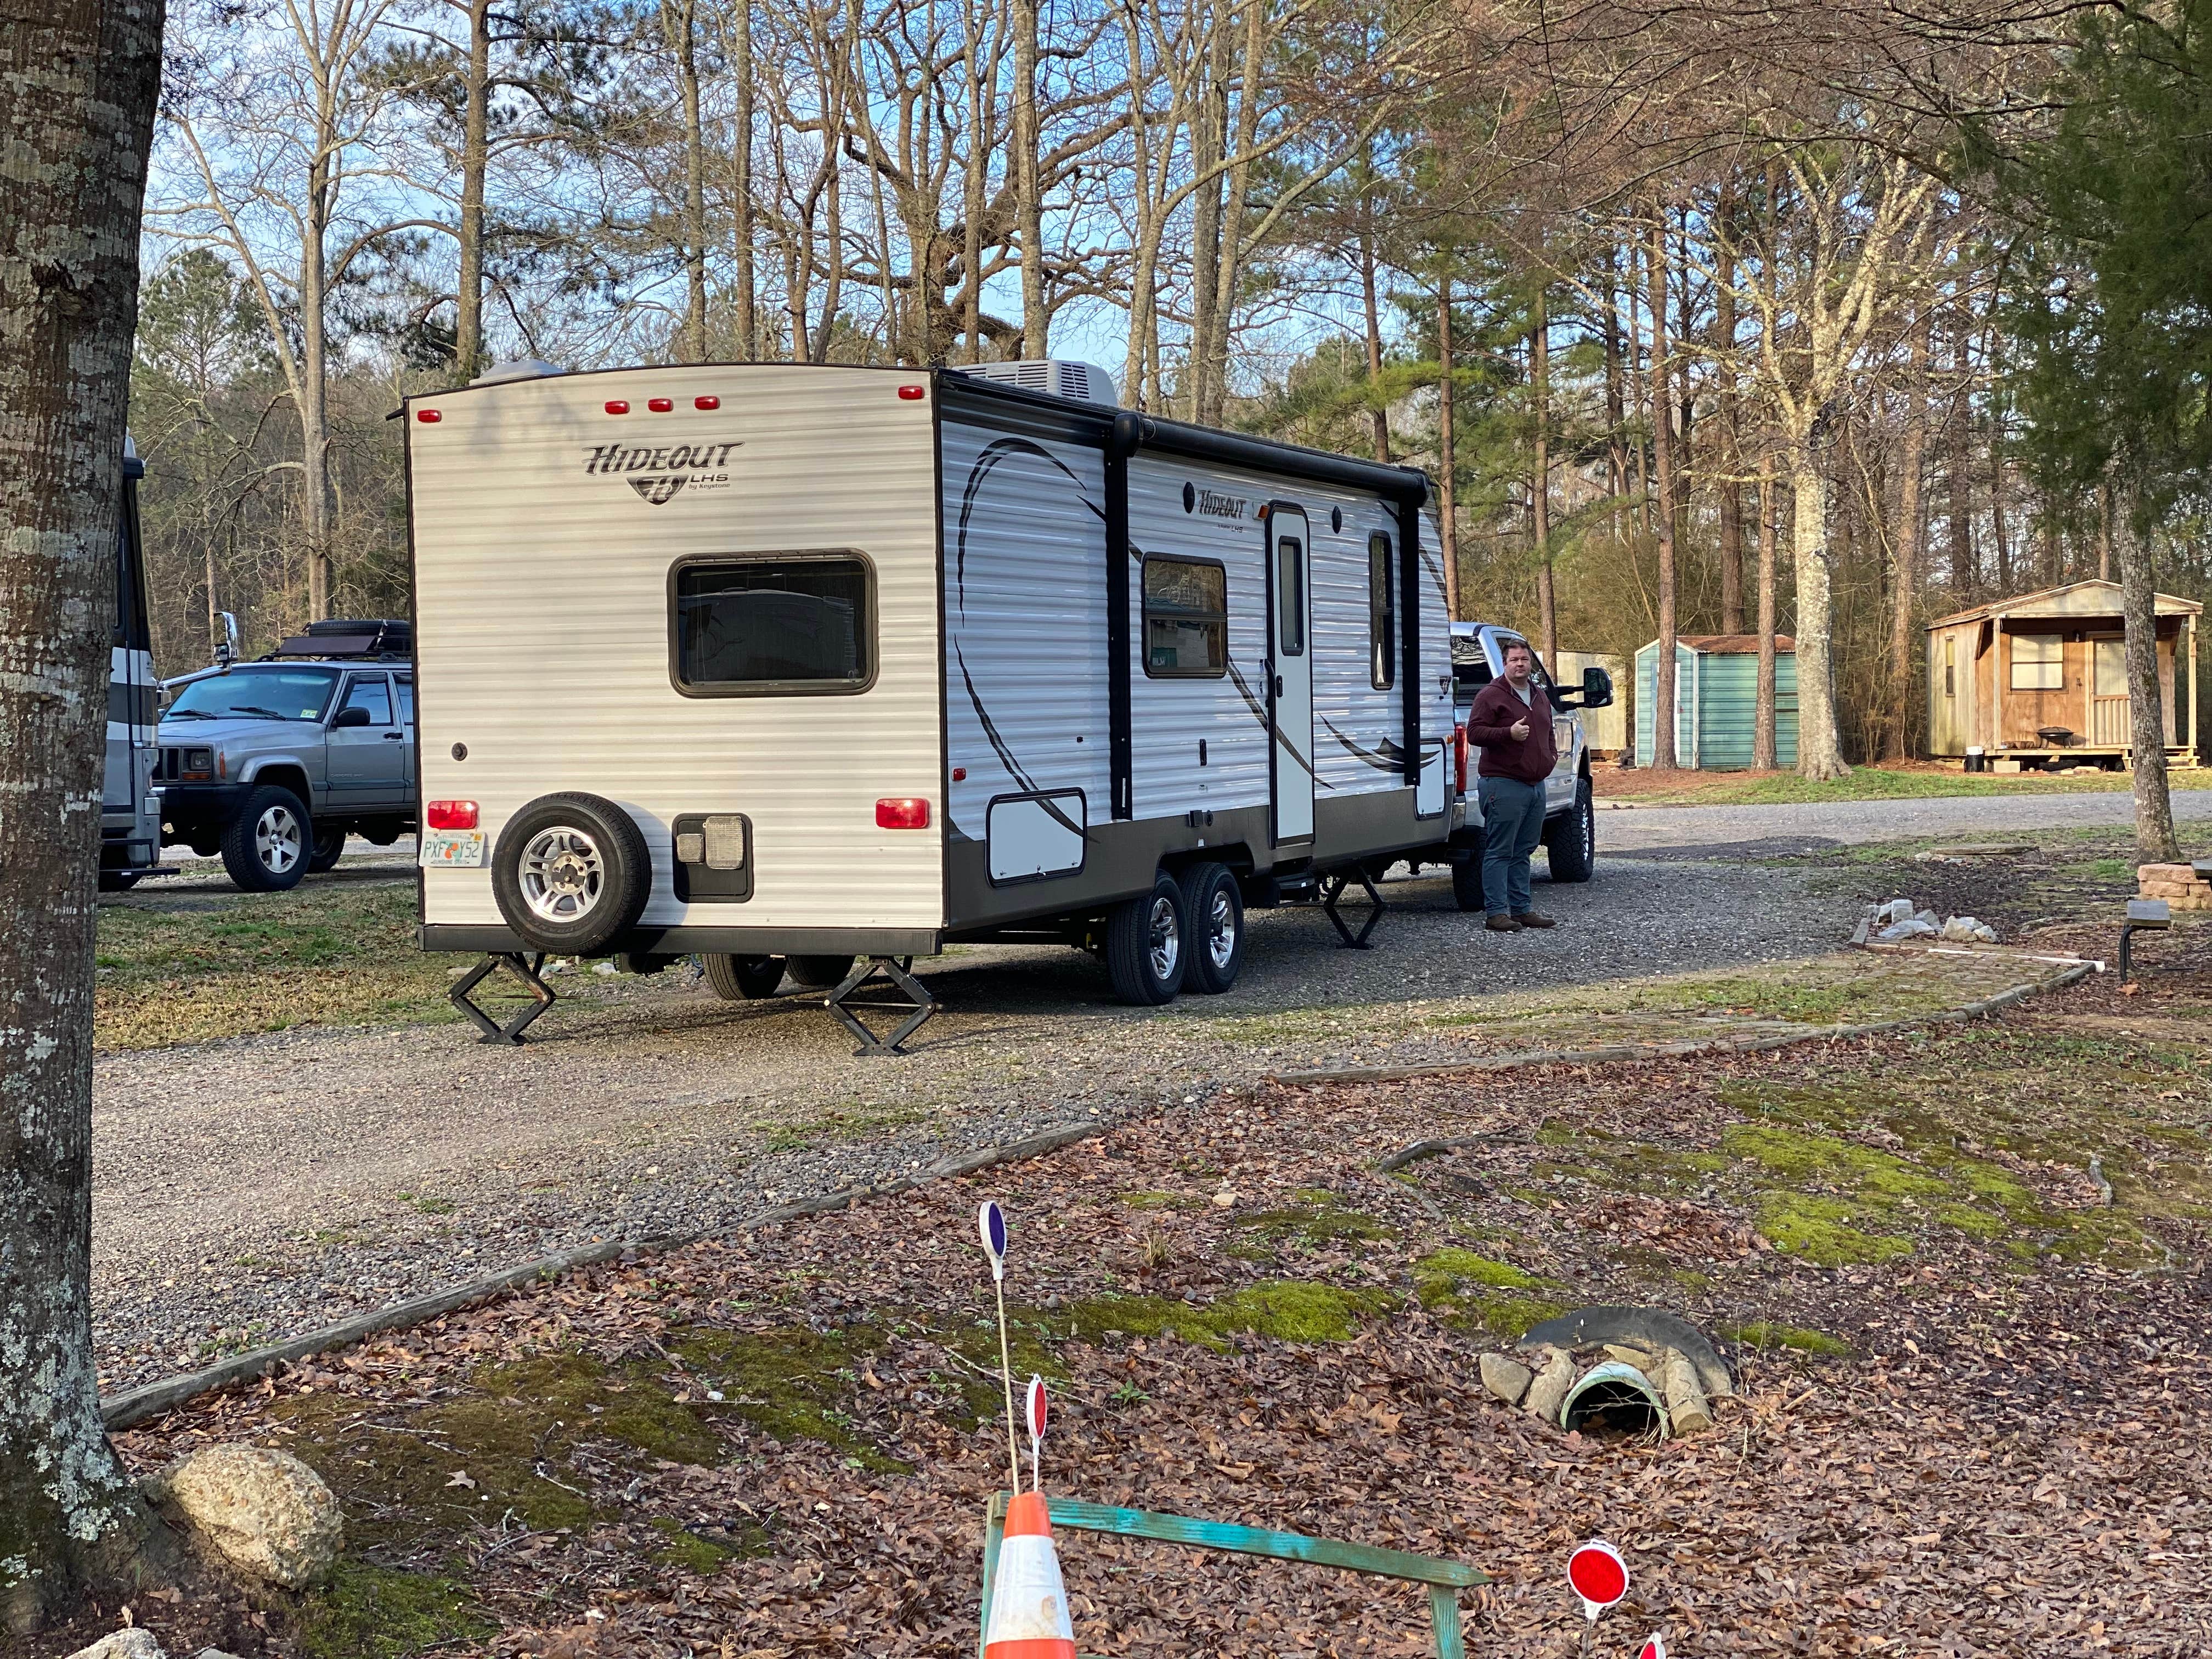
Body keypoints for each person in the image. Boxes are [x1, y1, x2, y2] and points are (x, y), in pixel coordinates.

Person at [1463, 637, 1558, 933]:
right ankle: (1496, 913)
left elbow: (1548, 731)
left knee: (1524, 850)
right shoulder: (1491, 695)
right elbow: (1475, 733)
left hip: (1534, 785)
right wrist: (1508, 733)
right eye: (1514, 660)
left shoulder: (1539, 695)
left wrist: (1550, 758)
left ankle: (1522, 909)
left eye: (1525, 660)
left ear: (1531, 663)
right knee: (1500, 850)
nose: (1520, 664)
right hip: (1502, 784)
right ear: (1504, 663)